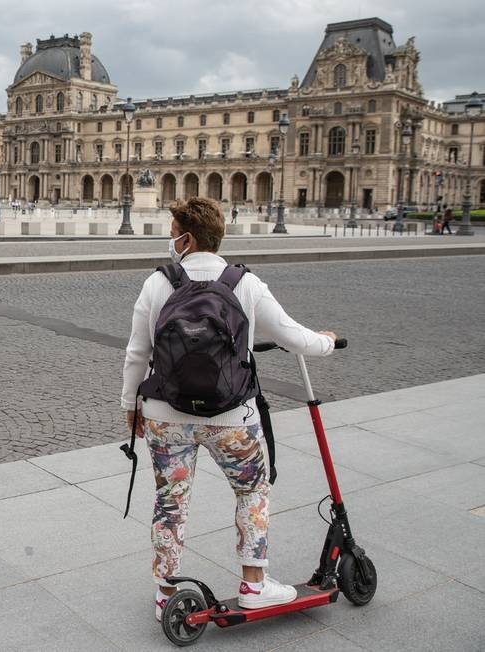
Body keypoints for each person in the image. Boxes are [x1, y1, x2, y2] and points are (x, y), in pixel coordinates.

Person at [120, 197, 337, 622]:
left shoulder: (158, 282)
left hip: (166, 414)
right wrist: (326, 340)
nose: (170, 240)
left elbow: (136, 352)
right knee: (252, 493)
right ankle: (255, 584)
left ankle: (166, 592)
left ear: (187, 238)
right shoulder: (245, 284)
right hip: (233, 419)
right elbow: (293, 336)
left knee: (170, 502)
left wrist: (131, 406)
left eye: (172, 233)